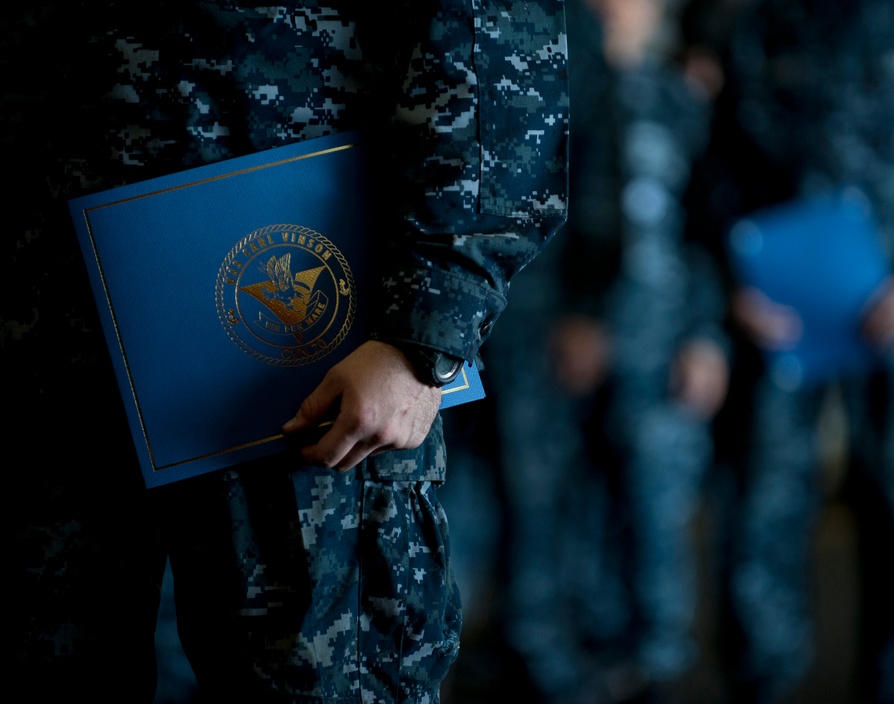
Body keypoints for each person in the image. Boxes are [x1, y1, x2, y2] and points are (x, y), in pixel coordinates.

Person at [7, 2, 567, 701]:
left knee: (311, 680)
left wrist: (423, 332)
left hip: (294, 334)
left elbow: (491, 45)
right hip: (44, 333)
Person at [689, 0, 894, 702]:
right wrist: (736, 278)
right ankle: (759, 679)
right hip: (778, 323)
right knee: (762, 503)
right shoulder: (760, 25)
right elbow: (714, 163)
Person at [487, 1, 729, 701]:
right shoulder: (551, 82)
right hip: (552, 327)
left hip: (653, 337)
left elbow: (708, 228)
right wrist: (580, 312)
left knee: (649, 500)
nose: (613, 8)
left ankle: (650, 656)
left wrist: (704, 335)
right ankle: (551, 651)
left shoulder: (680, 99)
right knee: (546, 492)